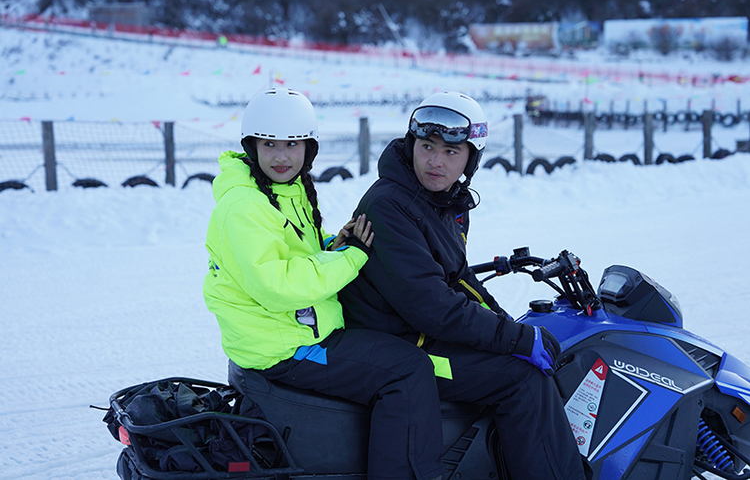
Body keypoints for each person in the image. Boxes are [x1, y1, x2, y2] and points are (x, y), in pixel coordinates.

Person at [339, 91, 587, 480]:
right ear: (411, 145)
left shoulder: (442, 202)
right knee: (523, 380)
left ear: (472, 158)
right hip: (401, 345)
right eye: (427, 146)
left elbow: (459, 279)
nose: (436, 161)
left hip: (419, 333)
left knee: (519, 358)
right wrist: (517, 341)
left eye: (452, 152)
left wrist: (508, 326)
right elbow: (432, 306)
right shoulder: (390, 205)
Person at [202, 87, 444, 480]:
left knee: (393, 348)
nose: (282, 156)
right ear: (252, 146)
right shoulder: (244, 206)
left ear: (308, 150)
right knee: (408, 368)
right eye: (270, 144)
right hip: (284, 347)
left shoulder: (284, 190)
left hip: (292, 332)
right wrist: (351, 257)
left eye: (293, 145)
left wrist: (334, 245)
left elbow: (295, 253)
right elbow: (276, 285)